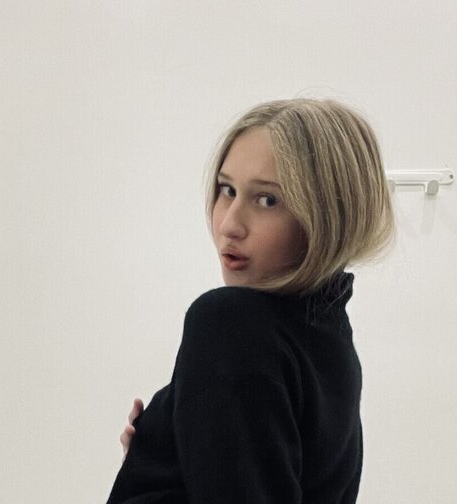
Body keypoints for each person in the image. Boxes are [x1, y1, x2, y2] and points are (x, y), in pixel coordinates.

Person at [107, 98, 395, 503]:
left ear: (326, 215)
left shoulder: (229, 322)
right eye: (227, 190)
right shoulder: (328, 338)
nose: (229, 224)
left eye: (267, 200)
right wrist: (165, 461)